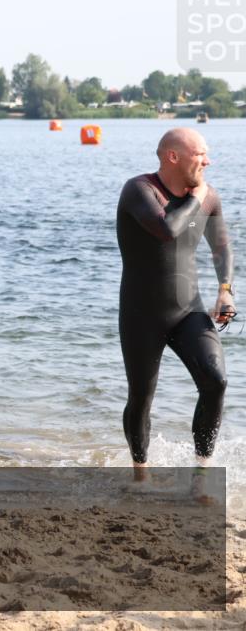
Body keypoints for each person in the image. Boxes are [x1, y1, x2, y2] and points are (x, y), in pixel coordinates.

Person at [116, 128, 234, 499]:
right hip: (141, 313)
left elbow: (221, 249)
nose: (208, 161)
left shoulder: (207, 198)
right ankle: (141, 476)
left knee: (215, 381)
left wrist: (225, 291)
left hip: (188, 310)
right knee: (141, 399)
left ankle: (200, 476)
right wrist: (198, 197)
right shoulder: (139, 191)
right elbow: (167, 229)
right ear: (173, 157)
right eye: (200, 154)